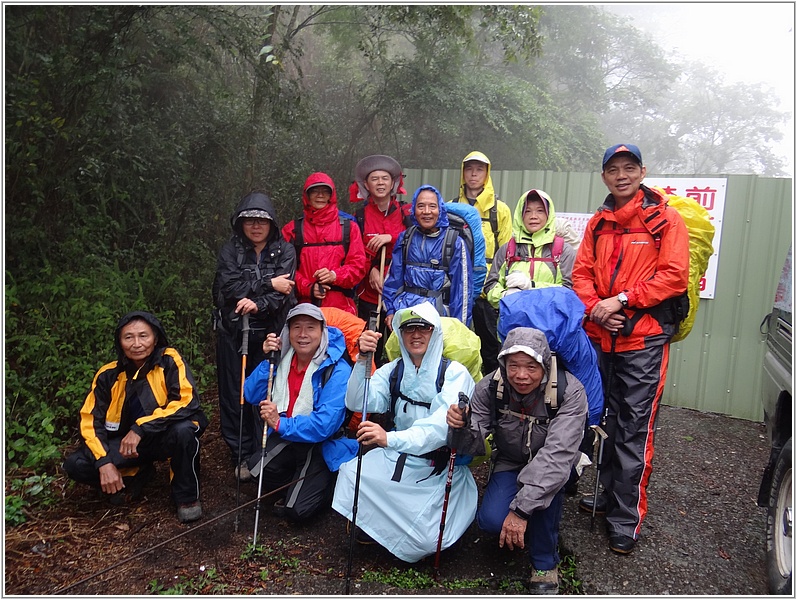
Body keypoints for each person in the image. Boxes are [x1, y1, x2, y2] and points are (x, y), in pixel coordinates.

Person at [572, 143, 689, 554]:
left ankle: (626, 519)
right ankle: (604, 498)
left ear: (642, 172)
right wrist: (597, 310)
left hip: (644, 341)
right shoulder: (599, 224)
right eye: (613, 169)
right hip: (603, 336)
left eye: (629, 168)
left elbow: (674, 277)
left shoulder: (665, 220)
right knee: (605, 419)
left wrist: (620, 301)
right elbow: (581, 273)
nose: (621, 175)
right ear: (604, 176)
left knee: (634, 430)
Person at [332, 301, 477, 563]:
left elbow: (438, 430)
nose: (416, 335)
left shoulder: (454, 373)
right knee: (350, 474)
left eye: (424, 328)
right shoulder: (393, 370)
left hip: (436, 464)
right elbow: (357, 401)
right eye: (408, 329)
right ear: (400, 334)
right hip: (396, 455)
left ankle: (392, 531)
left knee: (422, 542)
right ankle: (378, 530)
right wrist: (362, 360)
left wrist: (389, 438)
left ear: (435, 333)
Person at [447, 327, 587, 594]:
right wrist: (460, 427)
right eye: (514, 366)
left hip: (555, 464)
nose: (521, 375)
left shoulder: (569, 392)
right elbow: (472, 444)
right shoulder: (490, 386)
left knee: (547, 495)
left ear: (545, 365)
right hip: (510, 460)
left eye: (531, 367)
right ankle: (523, 509)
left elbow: (557, 456)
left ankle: (545, 562)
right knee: (490, 521)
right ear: (503, 363)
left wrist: (521, 511)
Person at [63, 311, 209, 523]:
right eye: (128, 337)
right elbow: (90, 421)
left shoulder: (168, 361)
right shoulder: (108, 375)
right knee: (76, 464)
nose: (137, 343)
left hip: (163, 435)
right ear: (120, 342)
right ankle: (134, 474)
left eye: (144, 336)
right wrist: (103, 461)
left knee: (185, 430)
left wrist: (140, 428)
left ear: (155, 338)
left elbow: (187, 401)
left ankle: (186, 497)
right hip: (127, 446)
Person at [212, 190, 297, 482]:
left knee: (265, 392)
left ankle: (261, 453)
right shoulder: (230, 250)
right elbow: (227, 288)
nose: (256, 226)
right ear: (240, 223)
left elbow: (284, 293)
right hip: (233, 332)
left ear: (272, 224)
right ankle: (239, 453)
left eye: (262, 221)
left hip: (270, 332)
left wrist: (256, 301)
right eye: (250, 221)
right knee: (235, 393)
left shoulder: (284, 251)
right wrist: (266, 282)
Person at [243, 303, 352, 522]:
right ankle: (299, 482)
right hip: (289, 437)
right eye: (296, 327)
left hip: (322, 444)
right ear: (288, 331)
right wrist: (269, 359)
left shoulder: (338, 369)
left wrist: (280, 424)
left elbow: (324, 426)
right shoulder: (282, 358)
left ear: (322, 332)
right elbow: (250, 394)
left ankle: (329, 482)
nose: (303, 335)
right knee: (258, 471)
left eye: (311, 327)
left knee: (297, 512)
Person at [451, 151, 513, 374]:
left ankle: (494, 391)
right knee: (456, 344)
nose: (473, 174)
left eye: (479, 169)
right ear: (462, 172)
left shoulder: (500, 210)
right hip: (457, 288)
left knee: (492, 347)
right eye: (469, 169)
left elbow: (507, 252)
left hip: (487, 289)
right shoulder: (452, 206)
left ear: (487, 173)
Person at [382, 185, 474, 327]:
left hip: (439, 318)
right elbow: (393, 280)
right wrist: (390, 310)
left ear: (440, 209)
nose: (426, 212)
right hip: (405, 315)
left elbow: (462, 291)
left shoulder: (454, 242)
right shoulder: (406, 238)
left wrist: (459, 329)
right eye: (421, 206)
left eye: (432, 206)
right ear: (414, 209)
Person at [350, 155, 409, 365]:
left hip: (401, 290)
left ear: (393, 183)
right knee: (369, 344)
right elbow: (354, 251)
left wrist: (391, 237)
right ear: (366, 184)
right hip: (370, 292)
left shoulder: (406, 212)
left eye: (385, 178)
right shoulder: (359, 216)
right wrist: (370, 271)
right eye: (375, 179)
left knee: (401, 346)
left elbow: (414, 240)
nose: (380, 183)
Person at [282, 173, 368, 314]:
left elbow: (358, 266)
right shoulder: (292, 230)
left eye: (325, 191)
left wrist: (335, 275)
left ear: (331, 195)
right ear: (307, 195)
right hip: (302, 308)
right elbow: (284, 270)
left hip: (341, 308)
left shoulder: (349, 228)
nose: (320, 195)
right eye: (315, 191)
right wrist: (308, 288)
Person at [485, 188, 576, 307]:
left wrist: (531, 286)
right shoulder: (508, 249)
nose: (533, 216)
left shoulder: (563, 250)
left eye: (540, 211)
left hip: (550, 323)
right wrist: (504, 296)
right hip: (513, 321)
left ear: (549, 215)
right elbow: (490, 285)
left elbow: (569, 292)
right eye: (528, 211)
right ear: (520, 215)